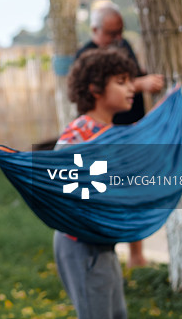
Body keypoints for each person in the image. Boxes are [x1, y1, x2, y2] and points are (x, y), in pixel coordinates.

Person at [77, 0, 164, 266]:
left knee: (133, 190)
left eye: (120, 33)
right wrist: (139, 84)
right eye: (111, 34)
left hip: (132, 131)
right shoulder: (87, 58)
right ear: (95, 30)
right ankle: (104, 247)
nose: (117, 39)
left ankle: (134, 253)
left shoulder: (122, 46)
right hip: (109, 137)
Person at [53, 47, 139, 319]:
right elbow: (64, 188)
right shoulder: (79, 134)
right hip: (81, 244)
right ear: (95, 88)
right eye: (121, 81)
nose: (131, 88)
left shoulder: (111, 133)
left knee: (117, 314)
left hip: (104, 245)